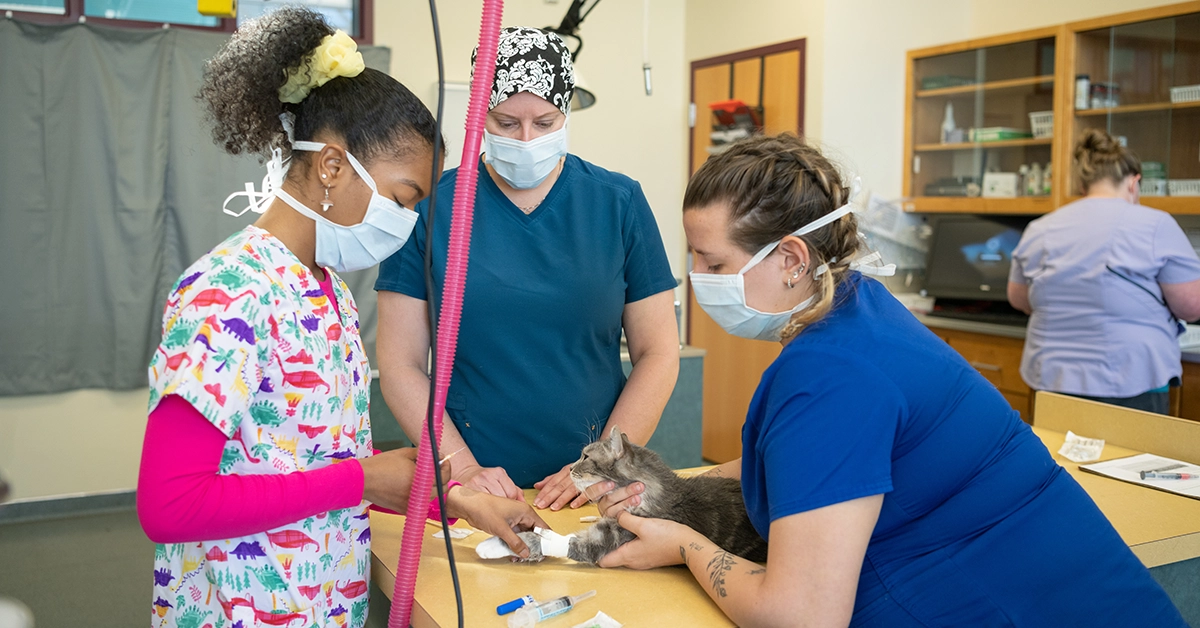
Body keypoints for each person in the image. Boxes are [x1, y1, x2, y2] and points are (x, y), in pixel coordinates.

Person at [584, 133, 1187, 627]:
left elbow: (801, 616)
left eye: (714, 263)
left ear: (792, 259)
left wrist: (685, 546)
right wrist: (674, 487)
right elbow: (826, 460)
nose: (696, 278)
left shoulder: (829, 374)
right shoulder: (859, 306)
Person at [136, 9, 545, 627]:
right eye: (404, 197)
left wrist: (458, 503)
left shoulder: (326, 292)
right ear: (331, 166)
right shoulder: (229, 292)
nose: (407, 222)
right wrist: (360, 480)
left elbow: (308, 462)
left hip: (323, 602)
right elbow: (169, 504)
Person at [375, 27, 680, 511]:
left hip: (597, 484)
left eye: (544, 121)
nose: (526, 139)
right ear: (478, 116)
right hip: (470, 485)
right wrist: (462, 468)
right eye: (505, 122)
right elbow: (399, 364)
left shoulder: (617, 203)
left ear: (566, 114)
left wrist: (603, 464)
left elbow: (659, 352)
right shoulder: (432, 206)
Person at [1007, 129, 1200, 414]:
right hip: (1133, 378)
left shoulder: (1041, 227)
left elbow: (1019, 299)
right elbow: (1191, 306)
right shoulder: (1155, 224)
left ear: (1083, 186)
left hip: (1054, 379)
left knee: (1060, 456)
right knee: (1130, 459)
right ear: (1134, 183)